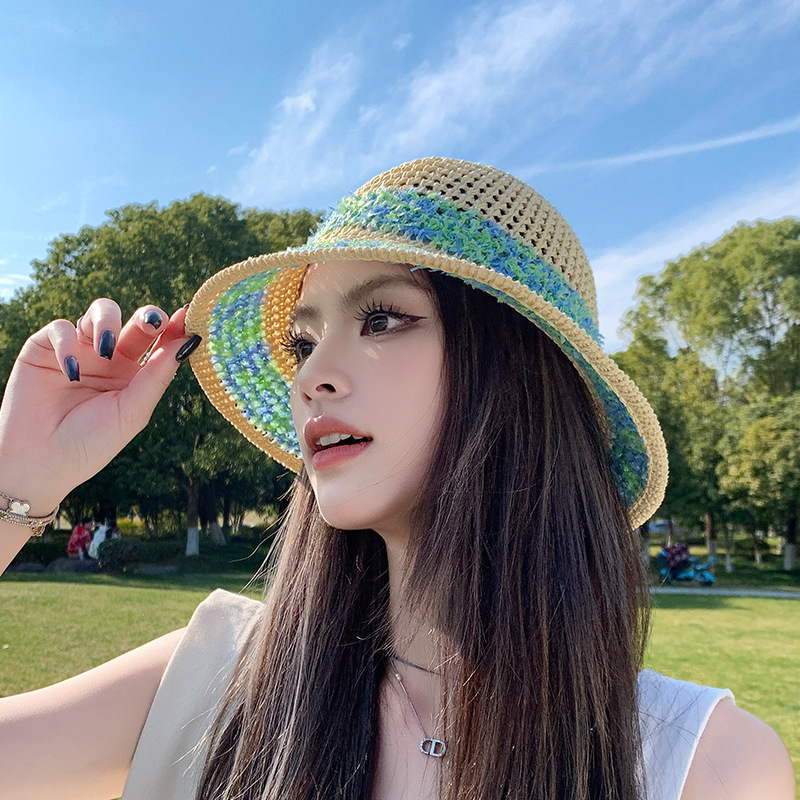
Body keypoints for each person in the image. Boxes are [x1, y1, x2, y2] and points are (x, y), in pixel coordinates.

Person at [0, 158, 793, 800]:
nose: (310, 377)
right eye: (303, 343)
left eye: (381, 318)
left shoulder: (702, 765)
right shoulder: (210, 678)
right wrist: (21, 477)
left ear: (520, 371)